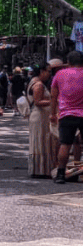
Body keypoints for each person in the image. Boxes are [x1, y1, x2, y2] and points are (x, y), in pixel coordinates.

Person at [50, 49, 83, 183]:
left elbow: (53, 96)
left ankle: (61, 175)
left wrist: (52, 113)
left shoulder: (59, 74)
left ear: (68, 62)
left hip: (66, 114)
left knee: (65, 144)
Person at [26, 63, 55, 177]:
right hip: (39, 117)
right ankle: (41, 170)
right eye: (48, 71)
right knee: (42, 141)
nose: (49, 74)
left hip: (39, 117)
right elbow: (38, 102)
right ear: (42, 71)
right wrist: (53, 101)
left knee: (41, 141)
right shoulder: (38, 84)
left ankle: (41, 169)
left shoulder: (35, 82)